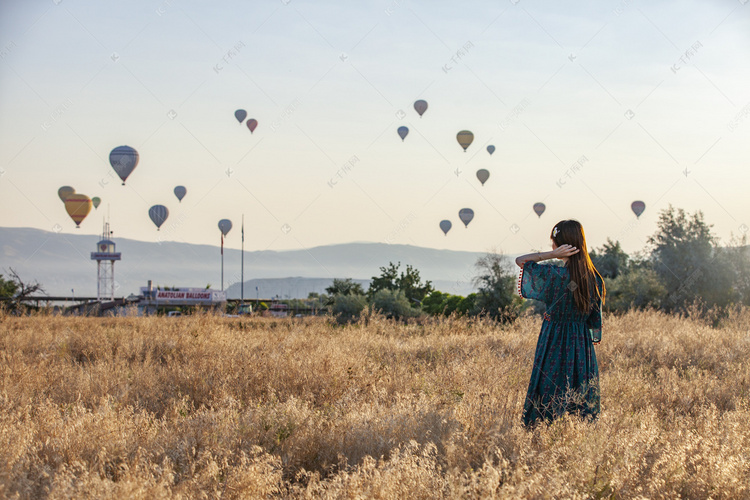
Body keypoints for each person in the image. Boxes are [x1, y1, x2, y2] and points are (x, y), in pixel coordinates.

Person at [515, 219, 605, 427]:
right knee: (579, 384)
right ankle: (578, 430)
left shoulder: (554, 275)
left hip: (554, 338)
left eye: (553, 243)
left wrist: (550, 256)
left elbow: (521, 261)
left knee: (550, 385)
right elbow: (594, 318)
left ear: (560, 245)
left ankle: (543, 428)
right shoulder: (594, 278)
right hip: (581, 341)